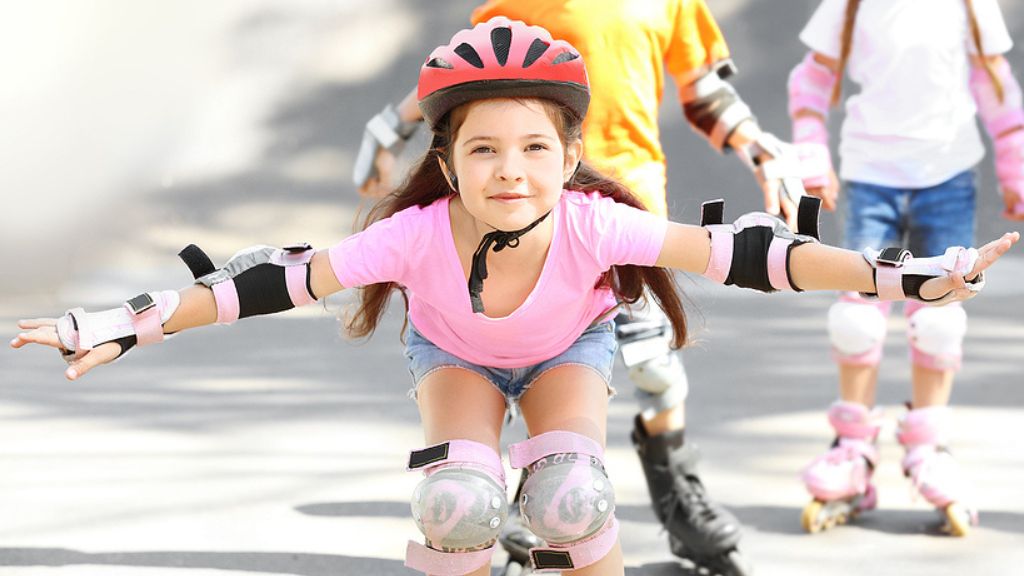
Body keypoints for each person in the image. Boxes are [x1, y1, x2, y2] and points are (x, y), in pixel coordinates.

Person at [13, 17, 1016, 576]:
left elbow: (752, 258)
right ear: (445, 163)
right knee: (457, 509)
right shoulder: (409, 235)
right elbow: (262, 285)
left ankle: (645, 507)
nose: (510, 172)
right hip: (453, 358)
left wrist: (898, 276)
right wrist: (122, 322)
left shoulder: (593, 221)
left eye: (535, 149)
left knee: (571, 501)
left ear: (571, 157)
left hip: (566, 354)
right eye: (482, 150)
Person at [352, 2, 826, 572]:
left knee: (653, 365)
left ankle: (679, 496)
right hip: (535, 218)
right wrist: (390, 127)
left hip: (627, 221)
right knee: (504, 366)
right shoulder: (522, 5)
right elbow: (465, 70)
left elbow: (703, 91)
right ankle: (519, 504)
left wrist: (759, 147)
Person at [787, 0, 1023, 536]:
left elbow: (995, 82)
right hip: (872, 170)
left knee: (943, 310)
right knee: (858, 313)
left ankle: (928, 447)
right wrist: (810, 156)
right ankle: (852, 449)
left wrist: (1015, 163)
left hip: (949, 169)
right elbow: (814, 77)